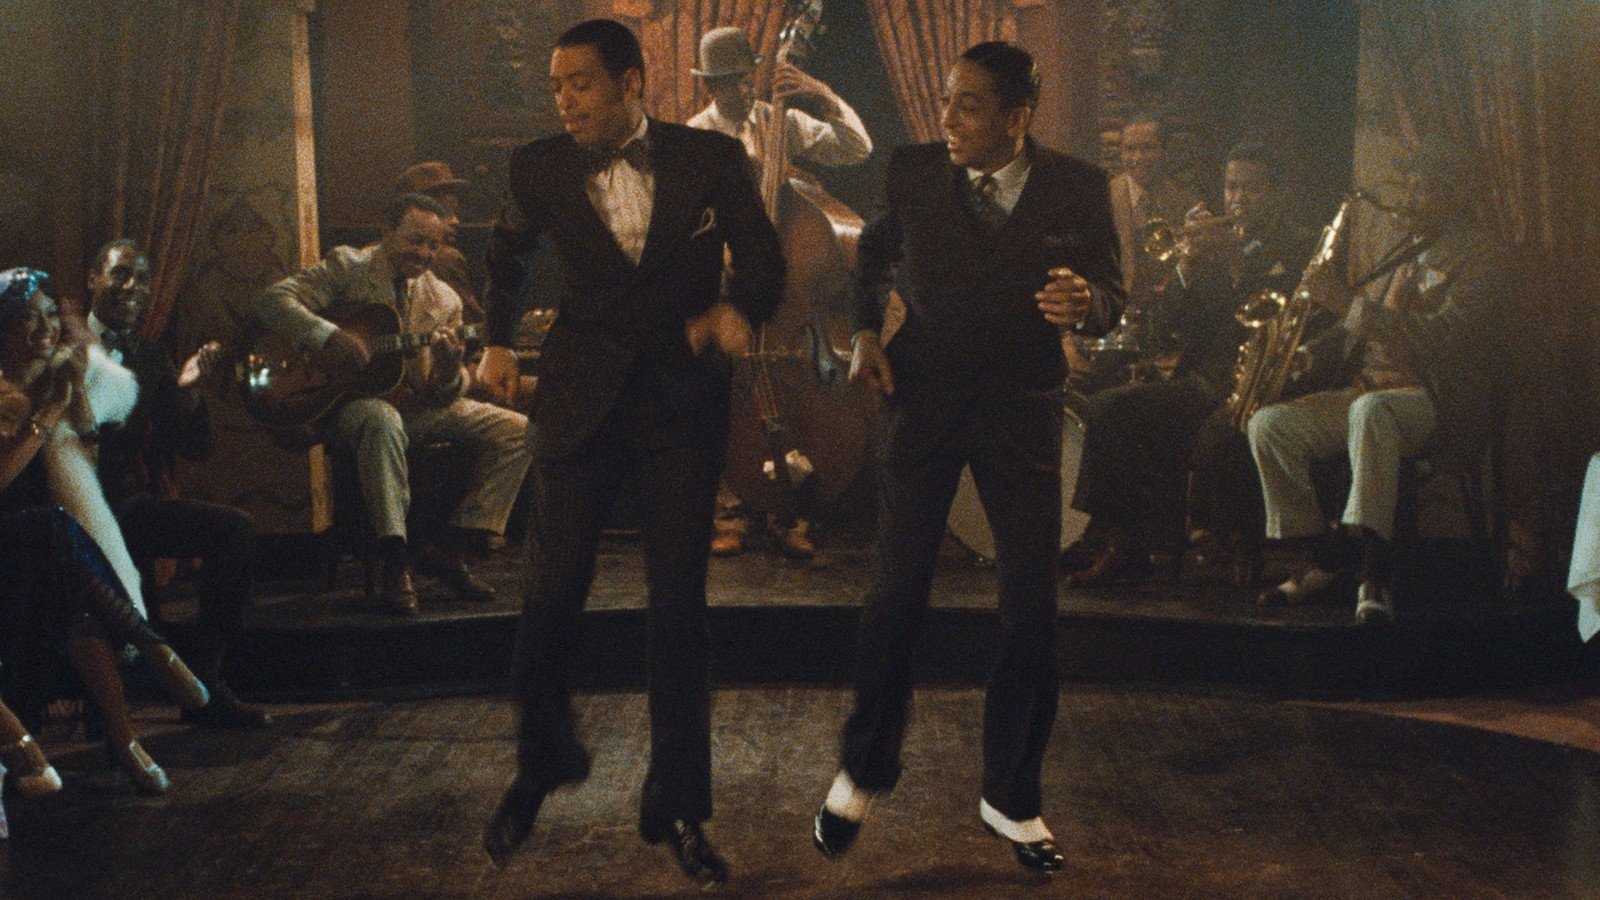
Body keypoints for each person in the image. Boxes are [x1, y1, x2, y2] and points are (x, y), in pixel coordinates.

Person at [476, 19, 784, 885]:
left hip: (679, 403)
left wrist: (738, 308)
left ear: (632, 82)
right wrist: (496, 339)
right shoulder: (537, 166)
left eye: (580, 84)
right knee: (550, 594)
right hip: (580, 400)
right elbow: (504, 256)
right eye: (556, 87)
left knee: (678, 610)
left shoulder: (711, 158)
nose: (564, 101)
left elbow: (762, 256)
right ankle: (544, 760)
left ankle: (678, 806)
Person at [811, 41, 1122, 873]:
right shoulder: (913, 172)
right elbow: (873, 253)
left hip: (1022, 411)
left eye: (969, 105)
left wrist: (1088, 303)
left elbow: (1112, 293)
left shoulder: (1078, 187)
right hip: (923, 402)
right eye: (947, 99)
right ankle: (862, 770)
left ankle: (1012, 798)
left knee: (1031, 608)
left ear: (1018, 118)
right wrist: (865, 331)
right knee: (894, 594)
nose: (946, 117)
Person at [1247, 142, 1507, 624]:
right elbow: (1360, 327)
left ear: (1456, 195)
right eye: (1408, 186)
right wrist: (1308, 354)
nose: (1408, 200)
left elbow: (1442, 338)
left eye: (1422, 188)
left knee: (1371, 413)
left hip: (1436, 399)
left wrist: (1346, 303)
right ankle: (1323, 559)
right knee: (1270, 425)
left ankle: (1374, 572)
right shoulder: (1407, 251)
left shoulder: (1484, 260)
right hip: (1368, 391)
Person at [254, 193, 532, 614]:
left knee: (519, 431)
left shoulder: (445, 300)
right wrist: (330, 337)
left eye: (433, 245)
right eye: (415, 240)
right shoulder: (349, 267)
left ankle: (452, 548)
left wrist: (448, 373)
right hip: (352, 408)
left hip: (417, 409)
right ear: (387, 231)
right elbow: (271, 301)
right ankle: (394, 557)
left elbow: (443, 393)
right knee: (382, 420)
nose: (424, 253)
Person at [0, 267, 211, 795]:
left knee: (78, 593)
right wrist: (45, 418)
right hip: (11, 539)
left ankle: (124, 739)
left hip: (47, 545)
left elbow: (84, 461)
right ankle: (154, 650)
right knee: (54, 528)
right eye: (28, 318)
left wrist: (72, 395)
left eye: (51, 315)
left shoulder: (58, 375)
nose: (45, 328)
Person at [1068, 142, 1314, 587]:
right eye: (1230, 187)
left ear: (1277, 193)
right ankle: (1124, 544)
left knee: (1218, 438)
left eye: (1250, 188)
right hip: (1202, 383)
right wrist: (1184, 265)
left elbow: (1284, 317)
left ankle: (1237, 544)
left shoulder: (1299, 246)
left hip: (1262, 388)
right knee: (1108, 409)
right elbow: (1161, 331)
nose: (1236, 199)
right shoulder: (1208, 252)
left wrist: (1233, 260)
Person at [686, 24, 873, 559]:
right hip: (725, 287)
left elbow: (857, 148)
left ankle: (789, 507)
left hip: (787, 302)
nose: (743, 91)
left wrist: (822, 95)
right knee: (720, 401)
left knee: (782, 393)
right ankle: (731, 507)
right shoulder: (695, 137)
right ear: (709, 86)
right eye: (729, 83)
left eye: (747, 79)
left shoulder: (778, 120)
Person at [86, 239, 269, 727]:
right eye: (120, 274)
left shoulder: (149, 354)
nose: (132, 287)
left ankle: (204, 687)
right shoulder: (60, 342)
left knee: (236, 530)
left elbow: (196, 447)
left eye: (142, 279)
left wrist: (188, 393)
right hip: (67, 505)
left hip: (124, 507)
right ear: (93, 278)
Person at [393, 161, 487, 325]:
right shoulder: (446, 258)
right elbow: (474, 325)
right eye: (444, 209)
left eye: (454, 210)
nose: (455, 220)